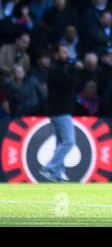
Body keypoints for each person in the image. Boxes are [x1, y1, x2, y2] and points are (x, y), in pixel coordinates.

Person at [40, 44, 83, 182]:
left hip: (61, 111)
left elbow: (72, 84)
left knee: (61, 143)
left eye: (67, 52)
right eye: (64, 52)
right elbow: (70, 83)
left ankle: (56, 174)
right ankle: (49, 168)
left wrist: (72, 69)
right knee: (69, 142)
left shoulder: (61, 68)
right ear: (56, 54)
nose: (67, 55)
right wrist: (75, 69)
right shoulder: (55, 69)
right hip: (60, 111)